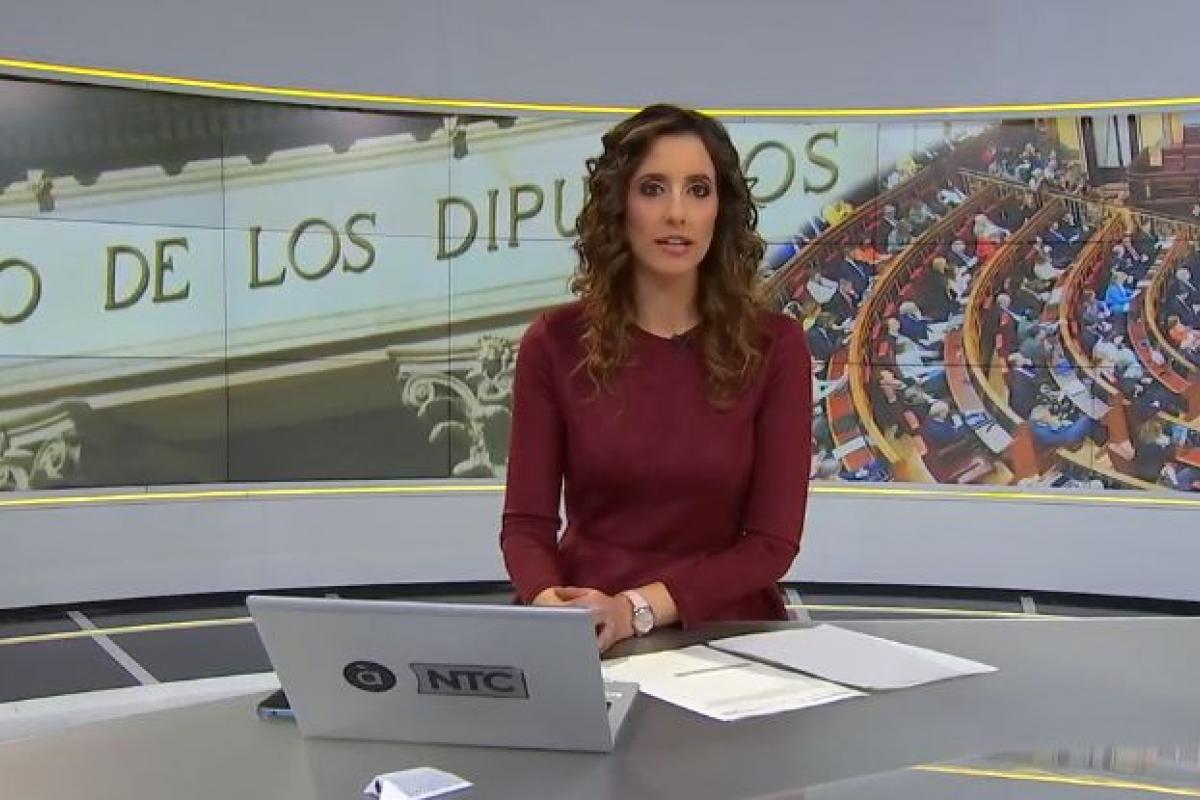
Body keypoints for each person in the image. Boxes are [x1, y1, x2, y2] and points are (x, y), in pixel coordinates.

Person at [500, 105, 813, 652]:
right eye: (652, 189)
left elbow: (771, 544)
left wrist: (635, 609)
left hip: (724, 631)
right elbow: (526, 526)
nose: (677, 213)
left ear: (720, 210)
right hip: (588, 627)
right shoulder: (553, 343)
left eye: (698, 190)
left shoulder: (776, 347)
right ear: (619, 206)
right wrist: (551, 604)